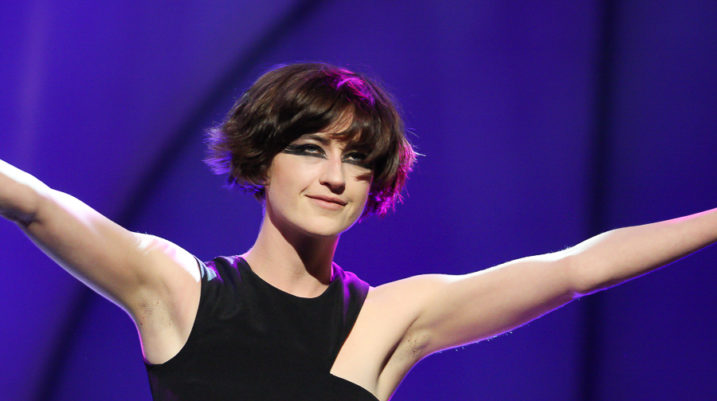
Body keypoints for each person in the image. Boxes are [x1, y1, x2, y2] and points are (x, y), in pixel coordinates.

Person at [0, 62, 715, 401]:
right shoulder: (180, 289)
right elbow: (36, 204)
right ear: (263, 159)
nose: (335, 176)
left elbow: (575, 269)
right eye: (310, 149)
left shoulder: (387, 318)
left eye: (358, 158)